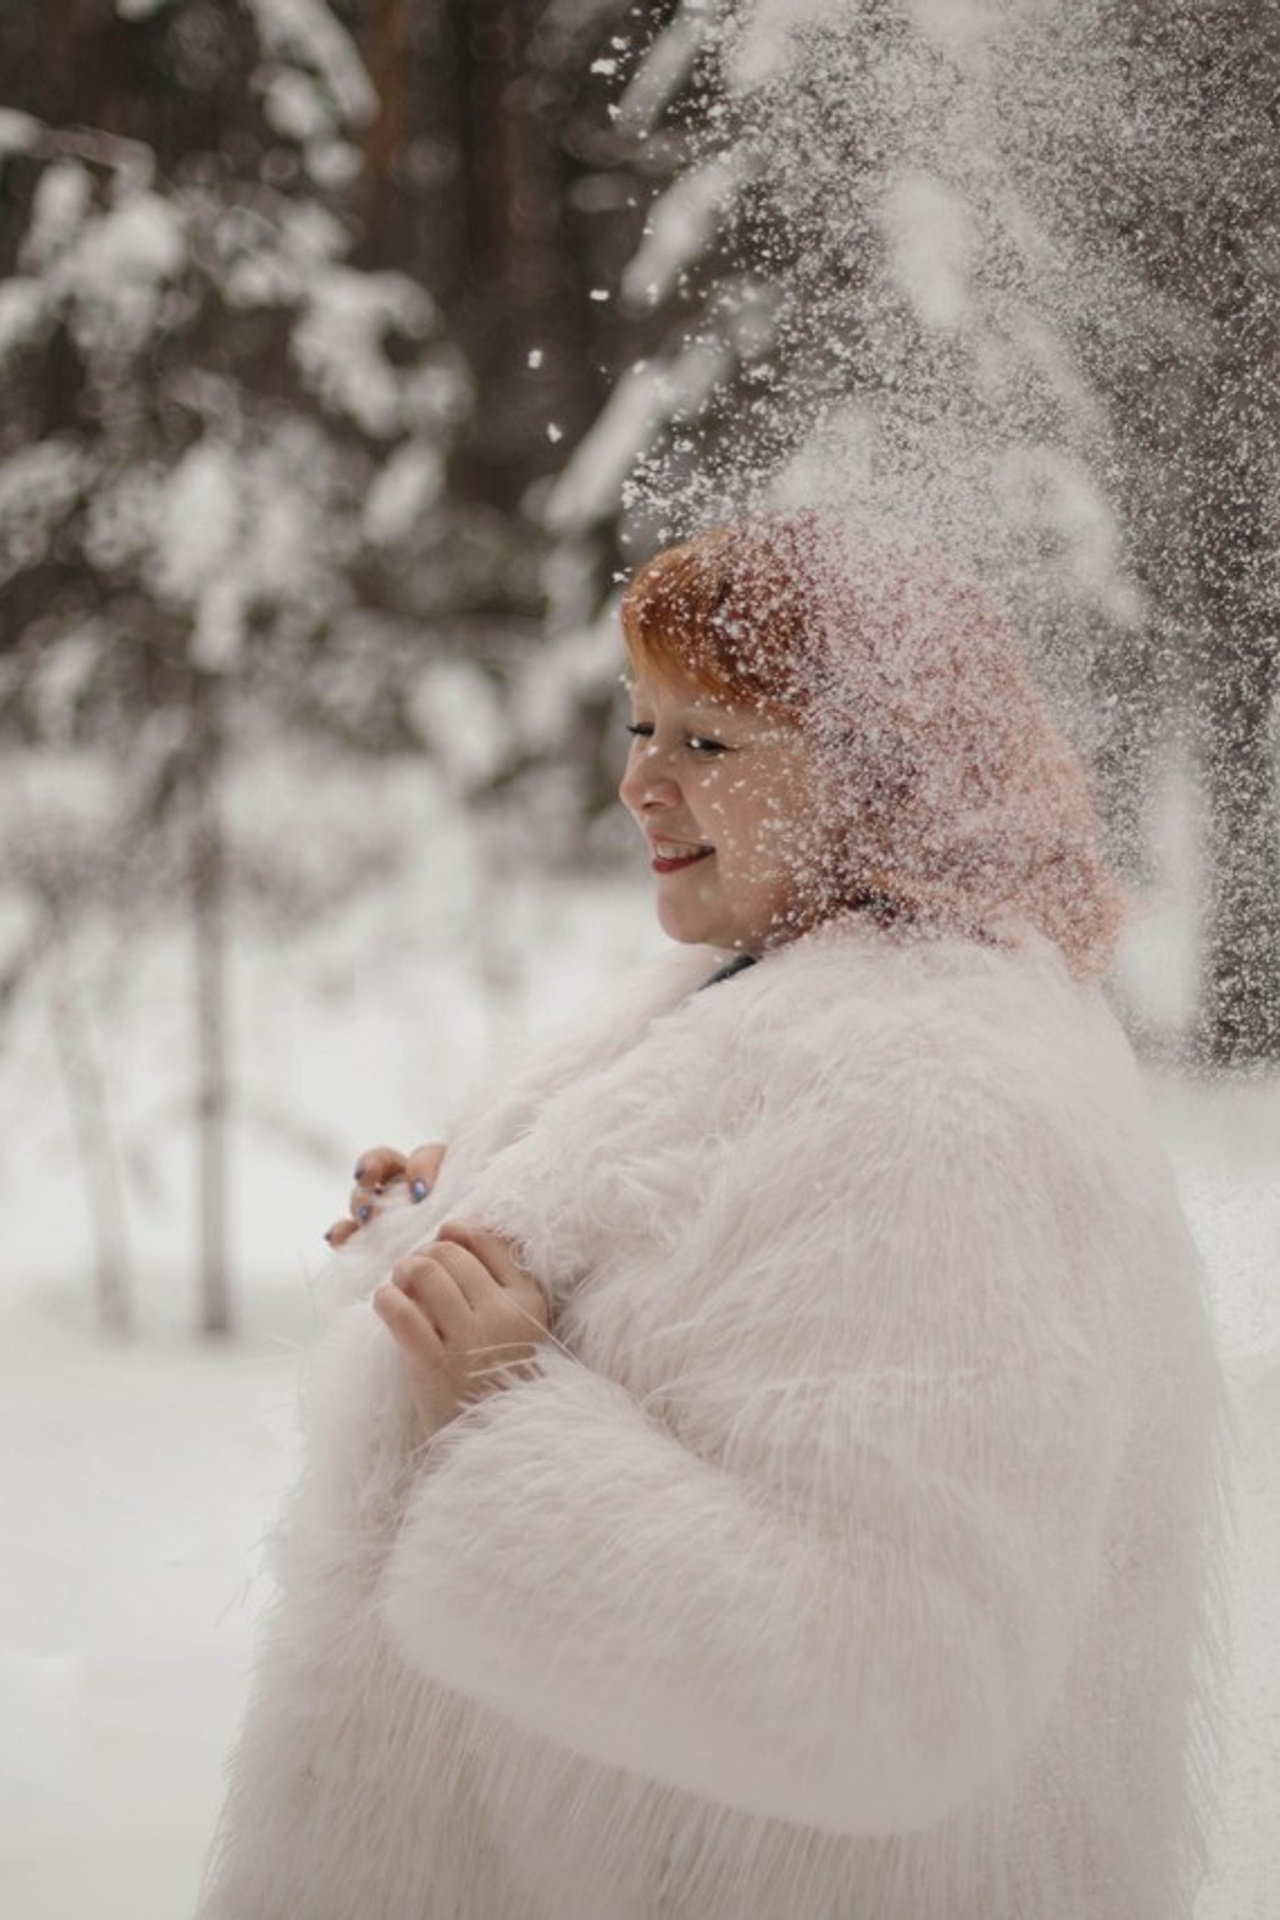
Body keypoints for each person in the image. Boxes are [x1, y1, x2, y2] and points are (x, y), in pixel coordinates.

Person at [198, 510, 1224, 1920]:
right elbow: (723, 1292)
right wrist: (470, 1209)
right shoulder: (787, 984)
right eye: (640, 726)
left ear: (883, 772)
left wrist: (508, 1401)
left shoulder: (944, 1102)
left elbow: (897, 1688)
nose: (636, 784)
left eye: (707, 744)